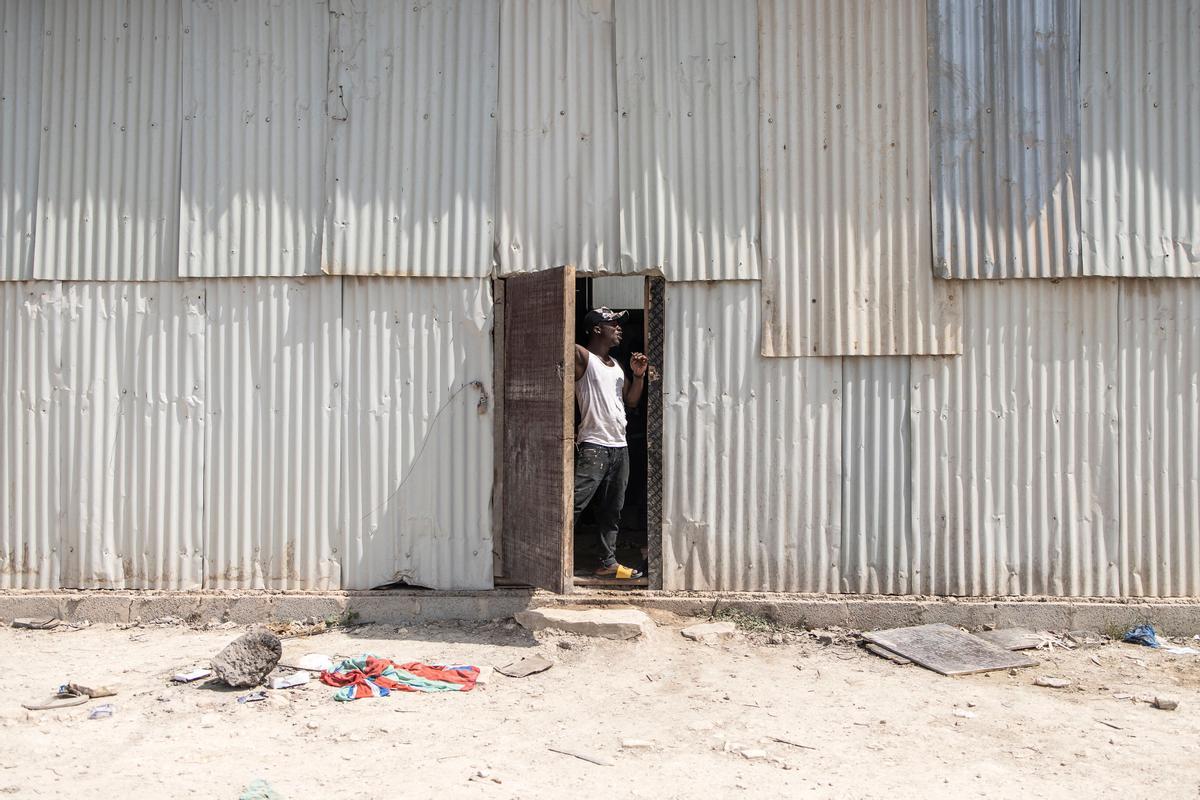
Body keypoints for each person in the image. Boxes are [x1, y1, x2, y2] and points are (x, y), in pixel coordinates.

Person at [573, 307, 648, 580]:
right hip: (593, 445)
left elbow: (630, 400)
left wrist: (638, 375)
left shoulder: (616, 365)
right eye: (612, 324)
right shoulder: (582, 356)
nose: (619, 328)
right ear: (596, 329)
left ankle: (608, 562)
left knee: (612, 509)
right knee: (575, 503)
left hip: (619, 446)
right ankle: (550, 559)